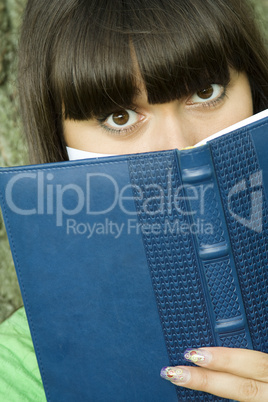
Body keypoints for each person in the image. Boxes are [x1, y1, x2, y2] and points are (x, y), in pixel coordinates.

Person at [0, 0, 268, 400]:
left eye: (205, 91)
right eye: (120, 117)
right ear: (60, 138)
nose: (179, 147)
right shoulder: (14, 370)